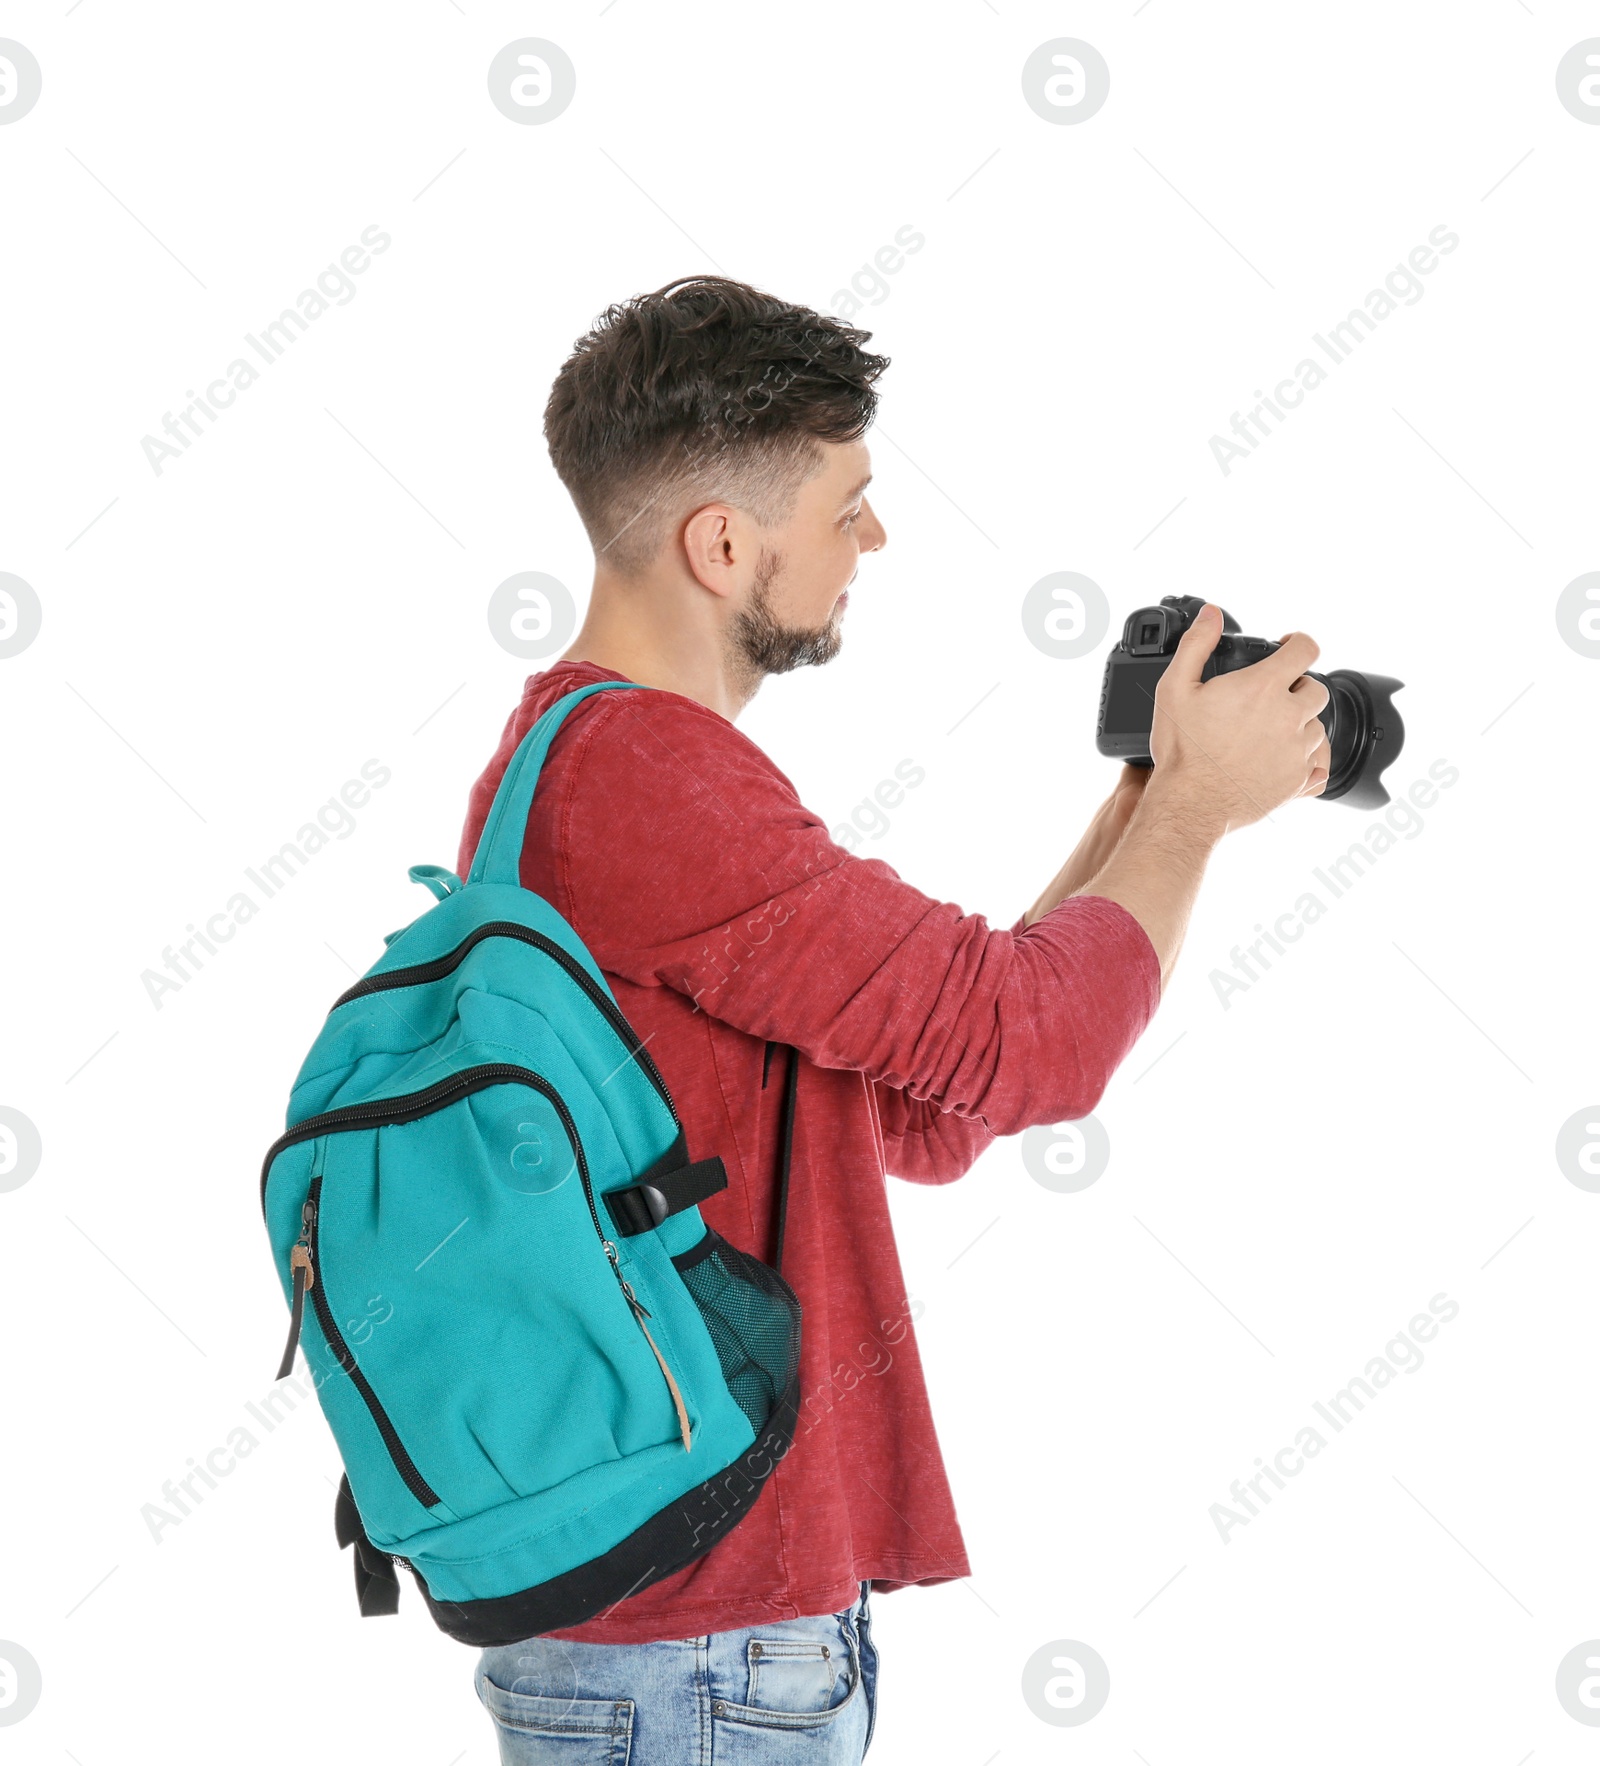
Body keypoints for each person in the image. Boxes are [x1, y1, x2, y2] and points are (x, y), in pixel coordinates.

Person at [458, 276, 1331, 1763]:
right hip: (698, 1650)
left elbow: (930, 1102)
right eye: (849, 504)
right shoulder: (652, 781)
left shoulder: (577, 759)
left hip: (690, 1641)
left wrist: (1147, 807)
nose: (876, 540)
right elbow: (1027, 1045)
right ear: (724, 544)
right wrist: (1194, 802)